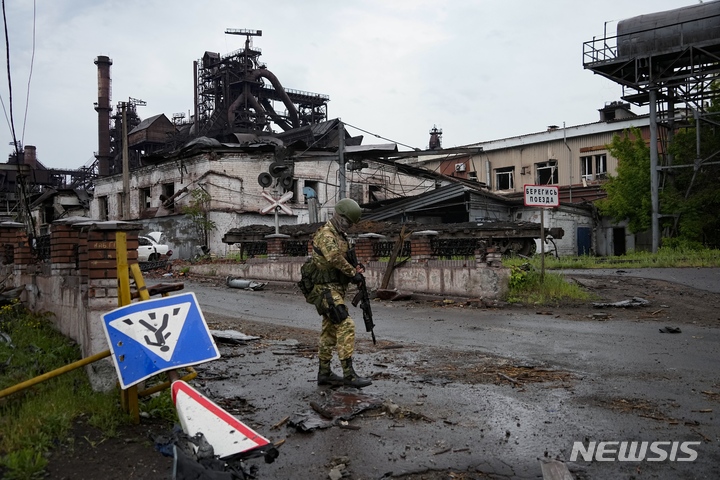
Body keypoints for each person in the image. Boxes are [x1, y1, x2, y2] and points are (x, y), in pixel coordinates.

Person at [309, 198, 372, 388]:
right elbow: (334, 257)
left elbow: (343, 257)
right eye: (348, 221)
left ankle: (324, 373)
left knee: (329, 332)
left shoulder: (340, 235)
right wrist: (353, 273)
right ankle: (349, 375)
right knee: (346, 324)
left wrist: (356, 268)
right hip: (325, 290)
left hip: (334, 289)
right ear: (339, 215)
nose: (349, 226)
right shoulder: (327, 235)